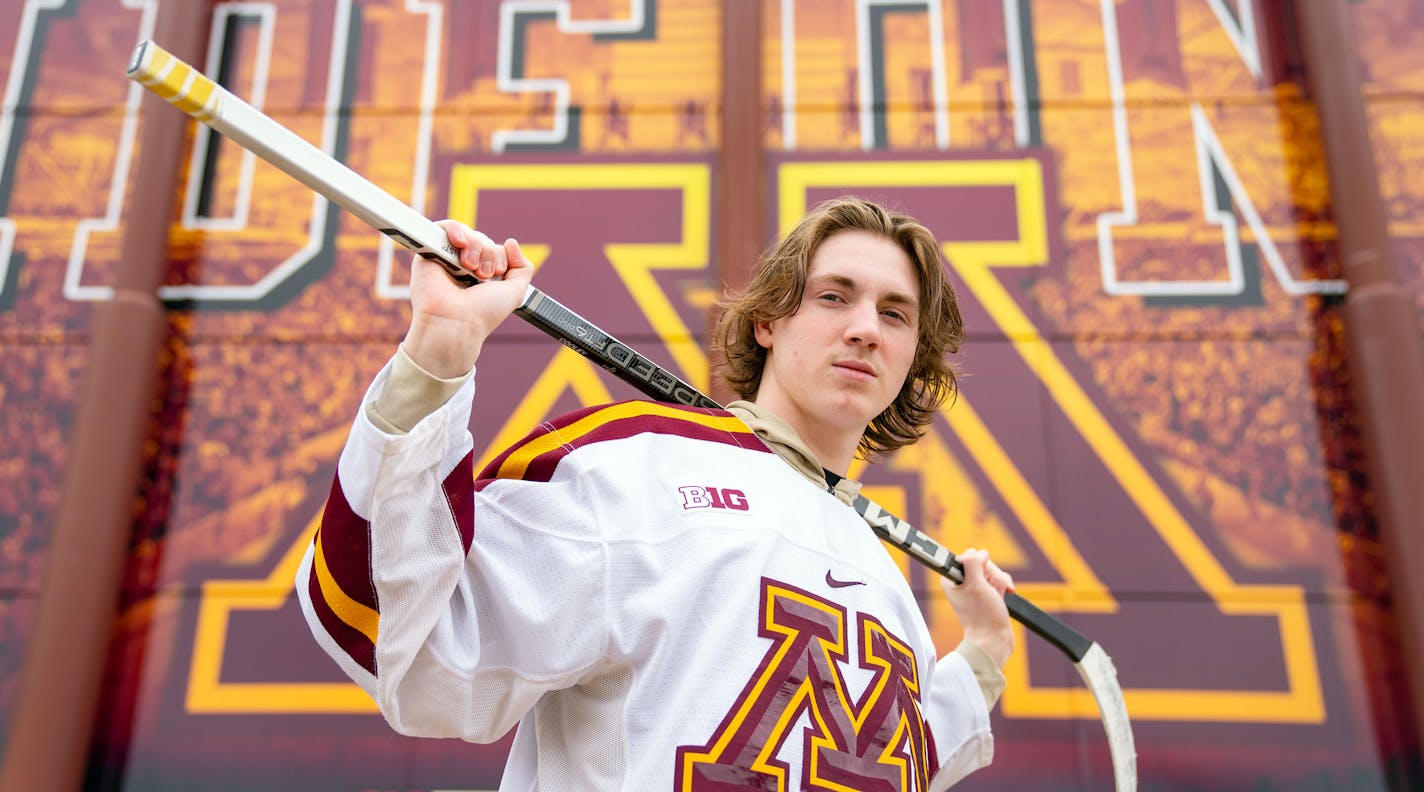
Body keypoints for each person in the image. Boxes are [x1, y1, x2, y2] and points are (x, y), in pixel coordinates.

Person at [297, 197, 1016, 790]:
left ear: (910, 356)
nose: (864, 329)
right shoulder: (635, 468)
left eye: (895, 314)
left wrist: (984, 647)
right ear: (769, 320)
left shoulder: (885, 586)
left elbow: (889, 758)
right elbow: (413, 645)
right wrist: (439, 357)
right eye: (834, 296)